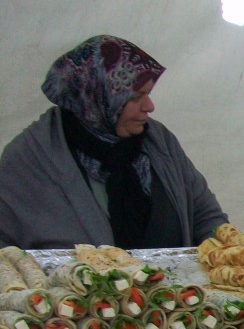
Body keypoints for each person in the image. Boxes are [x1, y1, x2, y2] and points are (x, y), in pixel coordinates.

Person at [0, 35, 228, 250]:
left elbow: (204, 213)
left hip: (173, 290)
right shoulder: (31, 157)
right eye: (135, 97)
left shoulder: (158, 140)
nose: (149, 106)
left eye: (148, 94)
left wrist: (226, 253)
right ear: (97, 98)